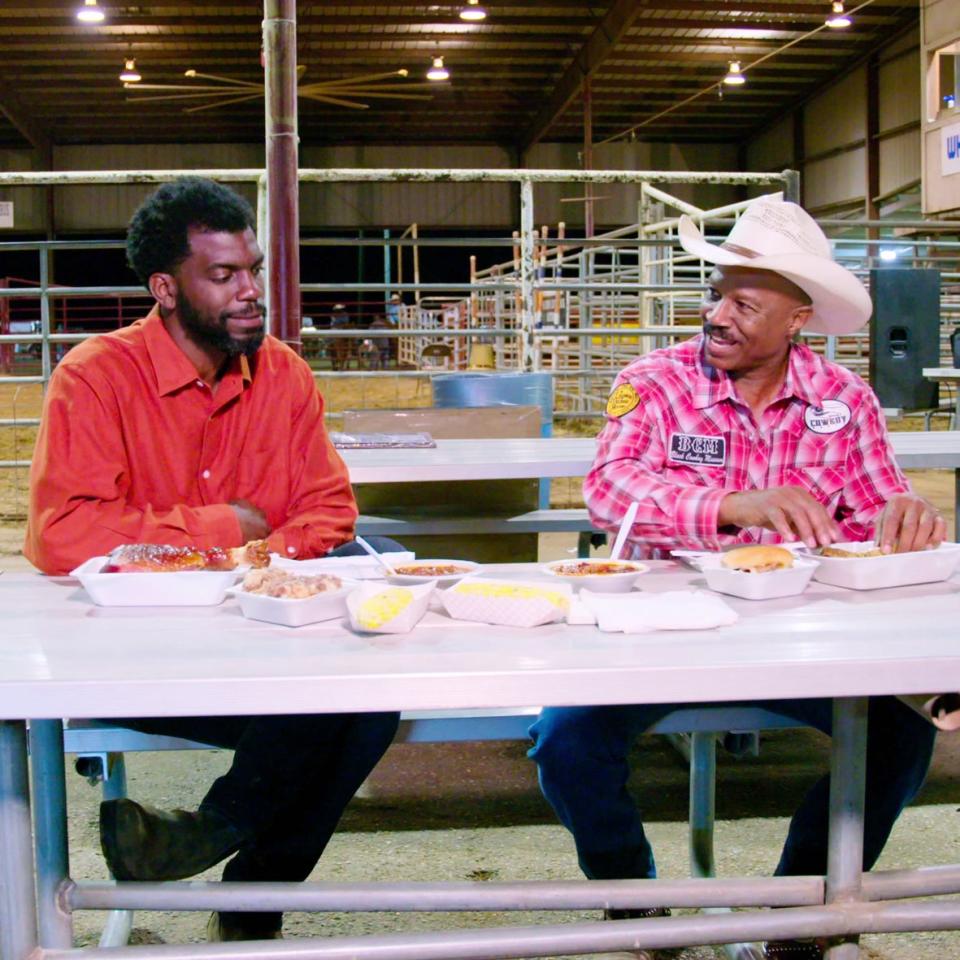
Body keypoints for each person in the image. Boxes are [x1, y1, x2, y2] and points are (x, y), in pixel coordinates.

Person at [528, 197, 944, 960]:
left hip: (803, 633)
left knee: (902, 734)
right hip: (660, 626)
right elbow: (609, 488)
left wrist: (903, 514)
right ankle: (635, 900)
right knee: (565, 740)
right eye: (717, 293)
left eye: (744, 303)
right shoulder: (654, 381)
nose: (718, 315)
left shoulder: (844, 401)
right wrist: (729, 505)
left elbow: (881, 498)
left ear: (797, 320)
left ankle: (801, 917)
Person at [24, 177, 403, 941]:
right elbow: (62, 533)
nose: (251, 292)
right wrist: (222, 529)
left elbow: (332, 510)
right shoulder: (96, 377)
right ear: (165, 288)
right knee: (351, 709)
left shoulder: (285, 375)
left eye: (253, 270)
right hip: (140, 661)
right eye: (224, 276)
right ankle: (250, 907)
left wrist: (243, 551)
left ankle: (215, 836)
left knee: (366, 695)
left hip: (263, 647)